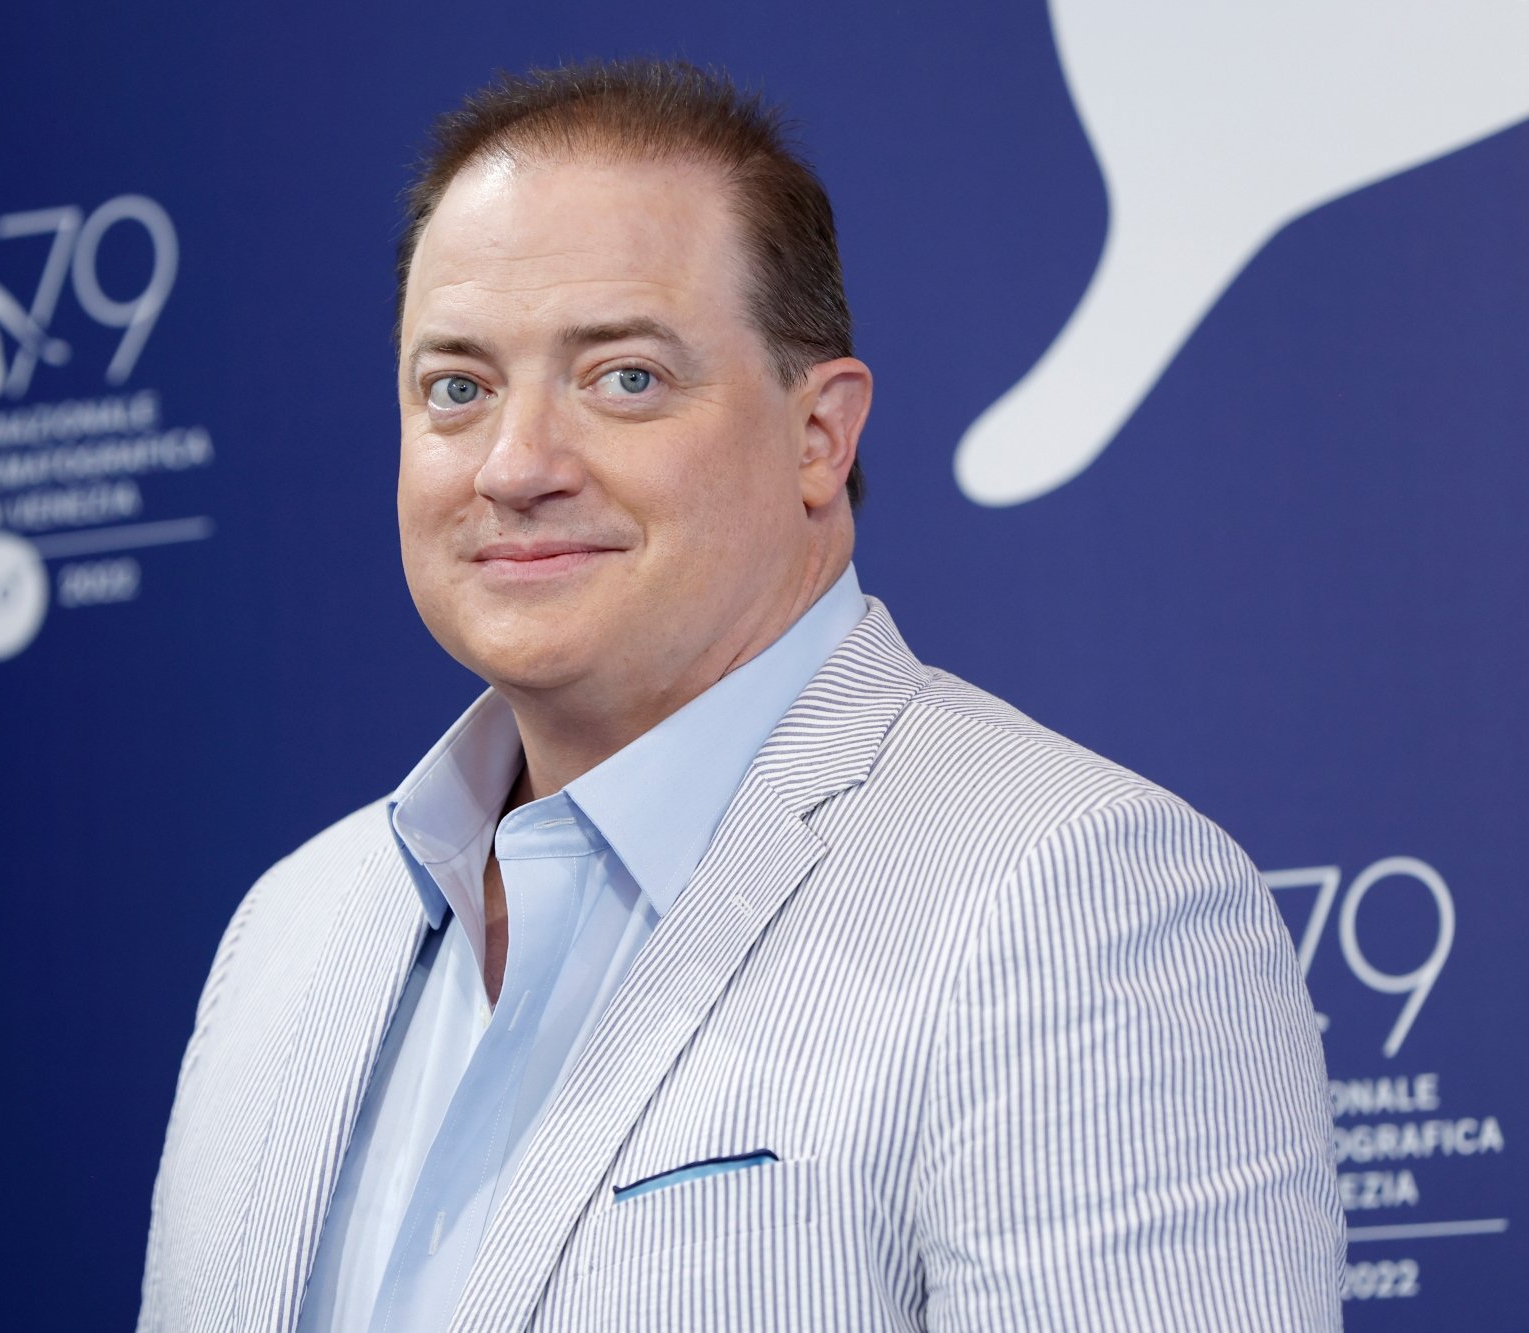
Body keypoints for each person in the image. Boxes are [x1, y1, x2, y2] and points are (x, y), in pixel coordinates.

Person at [138, 59, 1342, 1333]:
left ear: (819, 434)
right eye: (456, 388)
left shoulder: (1068, 901)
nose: (514, 464)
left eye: (624, 378)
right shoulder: (290, 931)